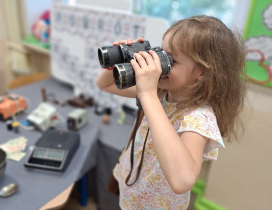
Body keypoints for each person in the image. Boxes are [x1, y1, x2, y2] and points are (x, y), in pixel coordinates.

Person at [96, 15, 246, 209]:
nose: (158, 64)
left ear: (201, 72)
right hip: (132, 191)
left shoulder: (198, 117)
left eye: (170, 60)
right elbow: (104, 84)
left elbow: (182, 181)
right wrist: (120, 61)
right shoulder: (161, 93)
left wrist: (148, 95)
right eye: (160, 52)